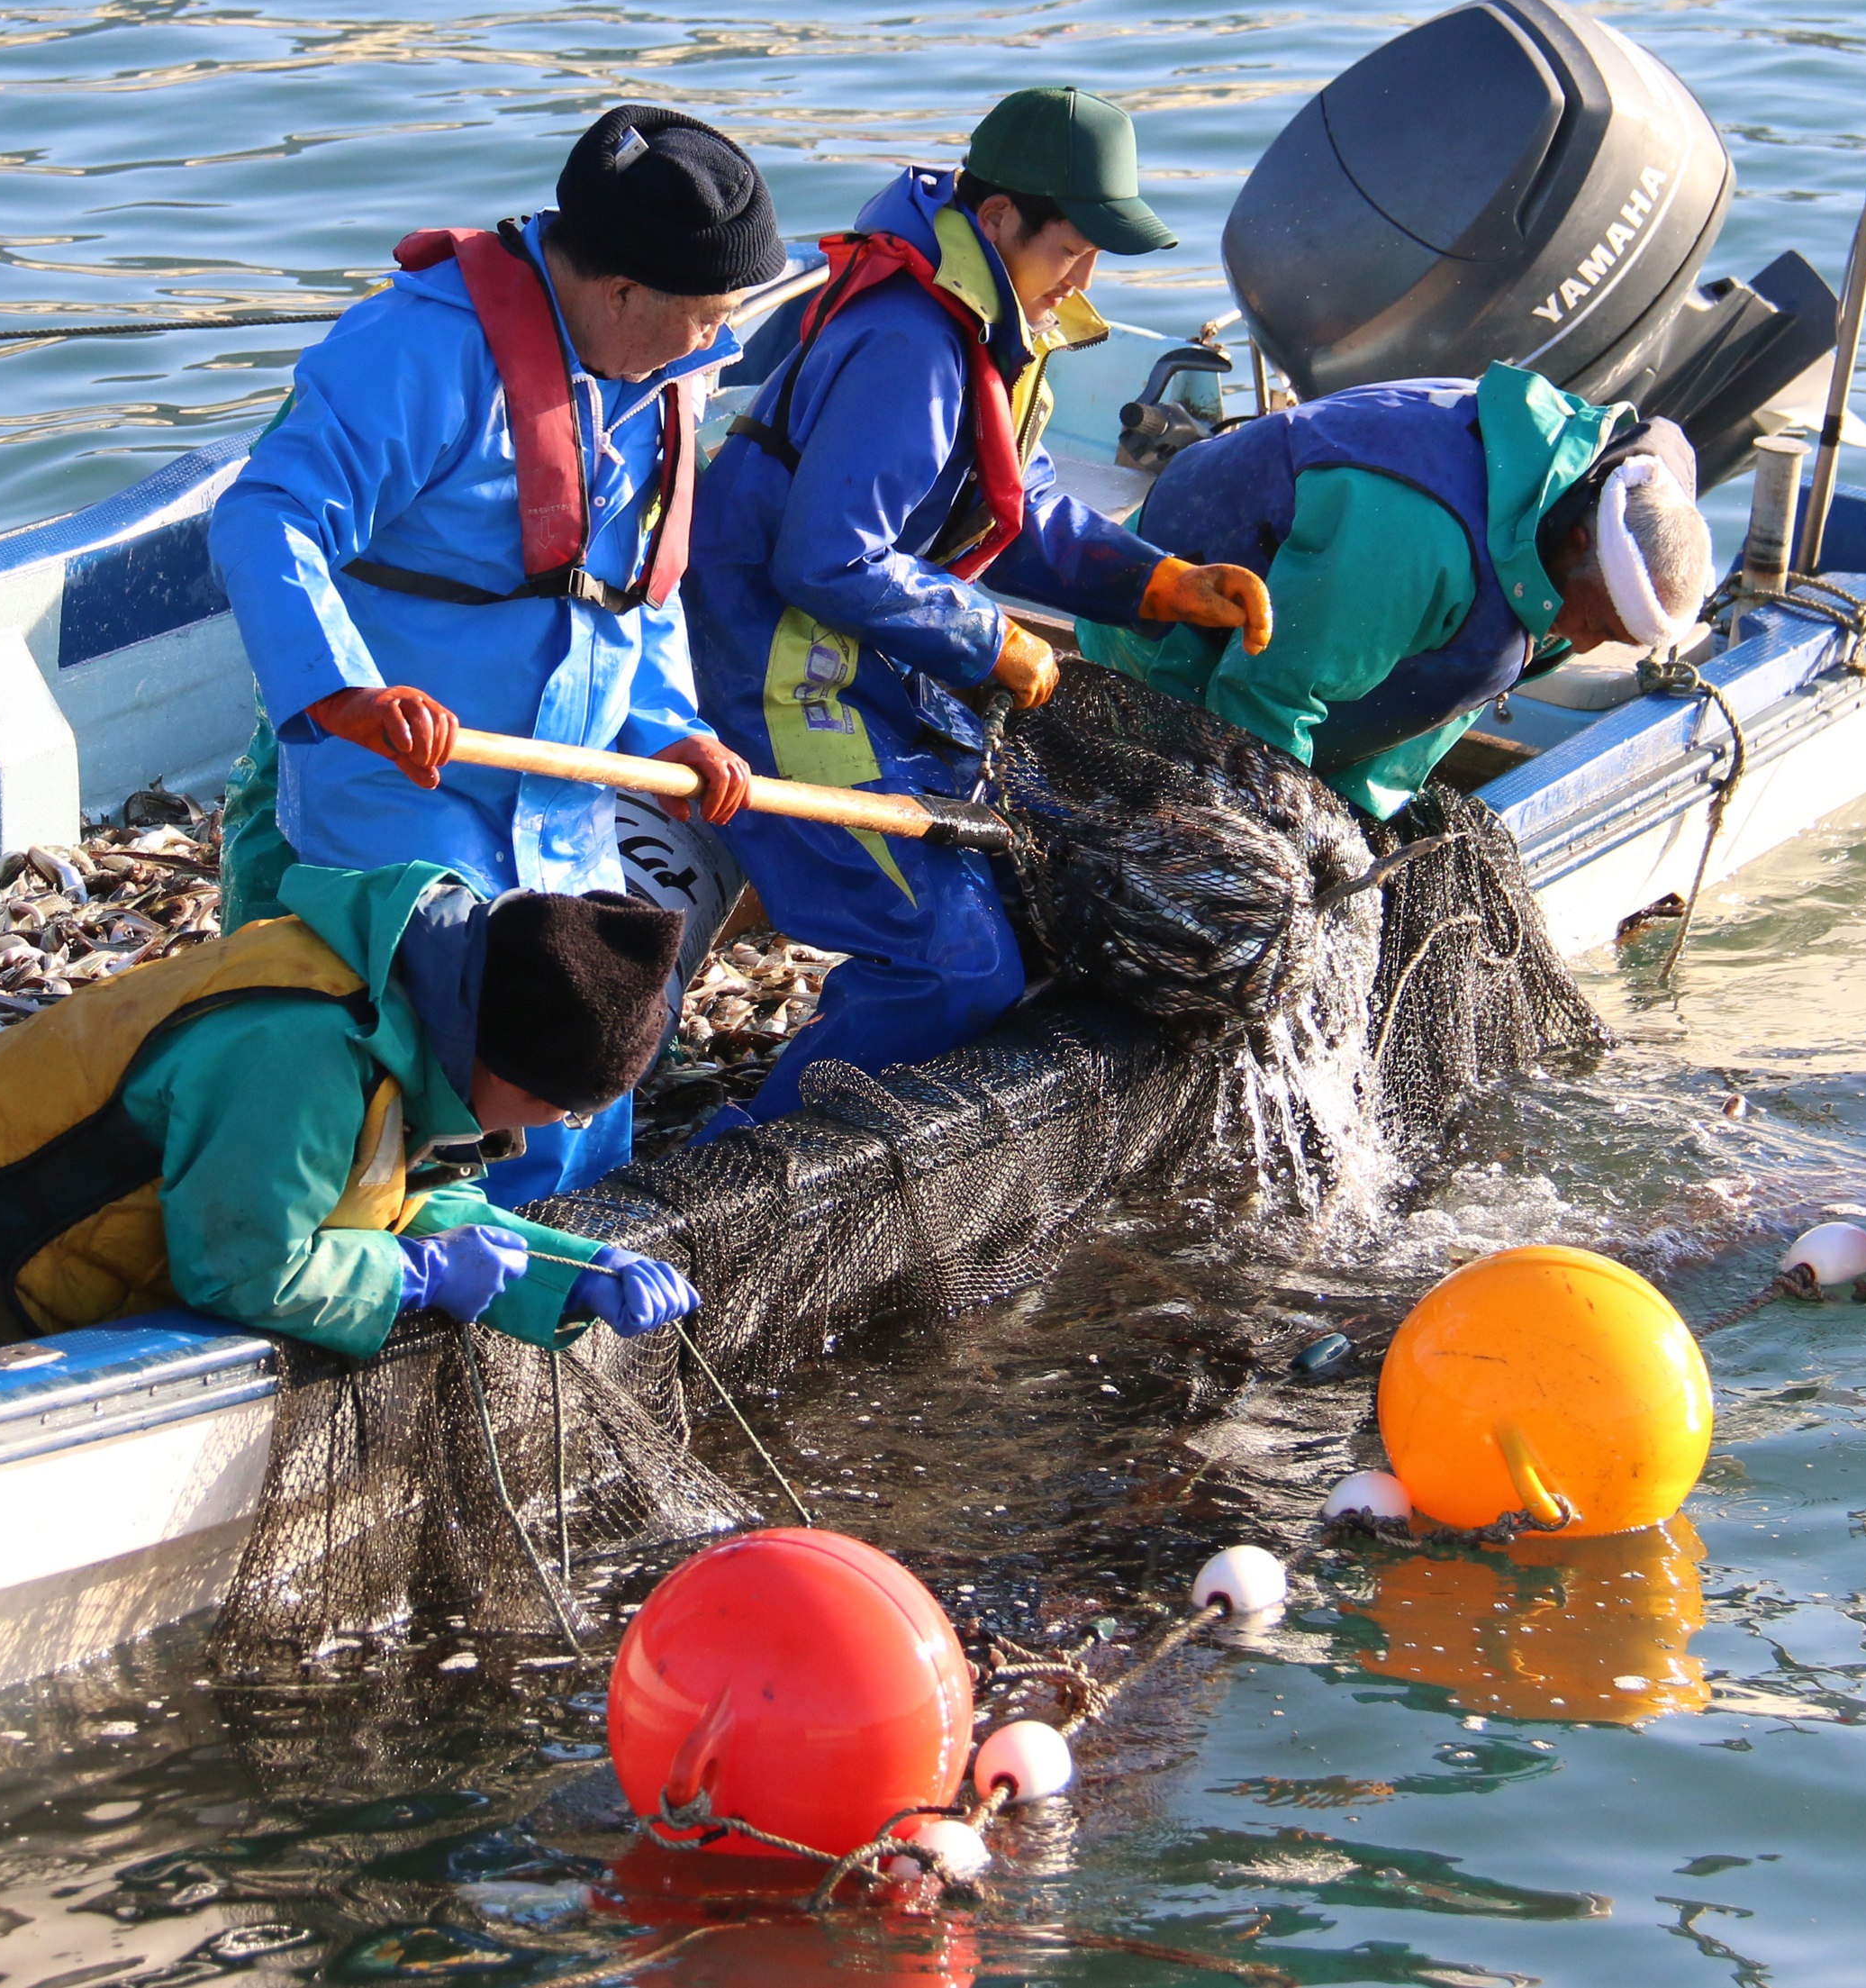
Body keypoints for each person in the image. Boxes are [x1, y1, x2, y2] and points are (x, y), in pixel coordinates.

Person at [209, 106, 785, 1202]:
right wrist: (344, 690)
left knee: (592, 1052)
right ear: (621, 293)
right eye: (706, 320)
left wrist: (678, 729)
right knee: (445, 1052)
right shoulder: (414, 354)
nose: (716, 345)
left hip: (566, 802)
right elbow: (265, 518)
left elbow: (637, 589)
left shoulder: (658, 378)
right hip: (408, 787)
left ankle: (555, 1281)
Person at [681, 87, 1271, 1121]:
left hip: (864, 651)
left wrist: (1156, 583)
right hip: (778, 663)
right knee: (953, 967)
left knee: (1000, 907)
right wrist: (989, 638)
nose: (1082, 280)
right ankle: (746, 1158)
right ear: (998, 223)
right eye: (1072, 252)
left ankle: (837, 1078)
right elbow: (829, 558)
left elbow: (1010, 504)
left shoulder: (988, 314)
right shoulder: (910, 343)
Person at [0, 860, 700, 1366]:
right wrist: (416, 1276)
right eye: (556, 1107)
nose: (543, 1129)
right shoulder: (304, 1050)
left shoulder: (418, 1017)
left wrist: (573, 1270)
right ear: (503, 1056)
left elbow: (413, 1203)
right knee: (7, 1487)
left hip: (98, 1257)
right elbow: (246, 1272)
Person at [1076, 368, 1716, 820]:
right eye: (1598, 622)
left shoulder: (1567, 531)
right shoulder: (1412, 534)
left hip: (1335, 638)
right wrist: (1281, 833)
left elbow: (1473, 672)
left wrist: (1355, 818)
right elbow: (1265, 691)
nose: (1582, 644)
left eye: (1613, 641)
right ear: (1576, 540)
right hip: (1162, 645)